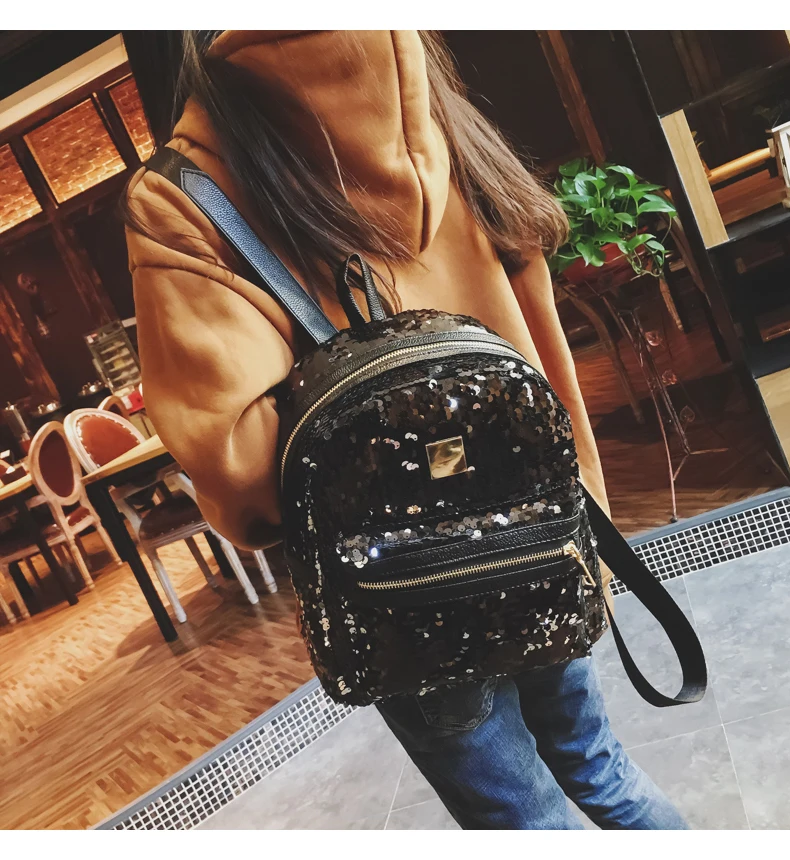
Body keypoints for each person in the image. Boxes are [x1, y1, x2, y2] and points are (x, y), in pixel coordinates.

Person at [123, 30, 687, 830]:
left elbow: (242, 468)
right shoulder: (424, 93)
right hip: (537, 529)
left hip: (401, 590)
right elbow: (536, 331)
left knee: (524, 824)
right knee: (605, 772)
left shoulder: (185, 192)